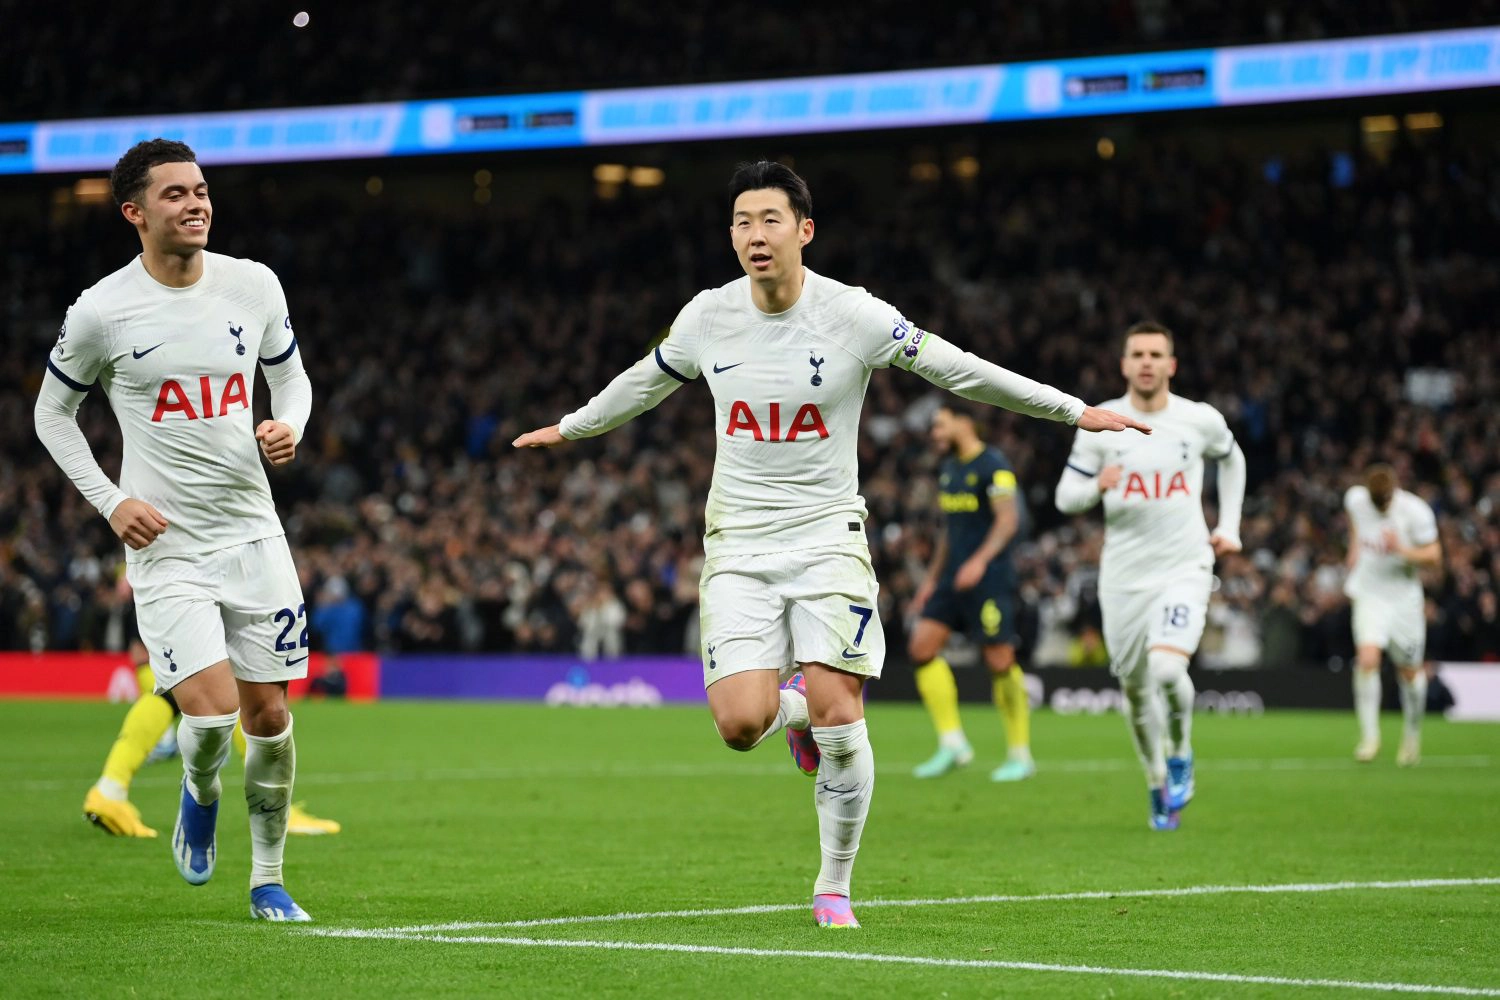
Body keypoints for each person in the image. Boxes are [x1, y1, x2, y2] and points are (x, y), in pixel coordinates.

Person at [514, 161, 1149, 927]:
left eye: (771, 219)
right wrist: (574, 426)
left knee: (842, 715)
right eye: (743, 221)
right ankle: (791, 709)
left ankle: (834, 885)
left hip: (827, 538)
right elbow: (642, 382)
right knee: (739, 726)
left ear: (804, 230)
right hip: (738, 542)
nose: (756, 234)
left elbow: (961, 372)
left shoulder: (855, 316)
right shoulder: (706, 317)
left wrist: (1073, 411)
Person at [34, 139, 315, 921]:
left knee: (272, 718)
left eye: (201, 191)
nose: (196, 204)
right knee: (213, 714)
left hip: (255, 536)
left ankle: (267, 879)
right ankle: (197, 788)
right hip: (167, 546)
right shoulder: (102, 310)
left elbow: (290, 377)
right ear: (134, 213)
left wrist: (287, 423)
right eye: (175, 196)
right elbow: (50, 415)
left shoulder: (253, 284)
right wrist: (109, 500)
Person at [1053, 321, 1245, 831]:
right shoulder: (1101, 423)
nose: (1146, 362)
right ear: (1124, 364)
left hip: (1185, 565)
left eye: (1156, 354)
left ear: (1171, 365)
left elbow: (1233, 458)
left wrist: (1228, 526)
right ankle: (1158, 782)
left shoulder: (1198, 420)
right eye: (1137, 353)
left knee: (1165, 670)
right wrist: (1098, 484)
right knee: (1136, 692)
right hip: (1123, 577)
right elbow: (1065, 498)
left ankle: (1181, 751)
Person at [83, 641, 341, 839]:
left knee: (175, 685)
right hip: (190, 584)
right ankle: (273, 807)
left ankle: (111, 788)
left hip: (167, 586)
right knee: (222, 683)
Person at [908, 402, 1035, 781]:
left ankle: (1020, 754)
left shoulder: (993, 465)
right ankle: (952, 743)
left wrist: (979, 561)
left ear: (964, 423)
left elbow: (1008, 521)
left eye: (940, 425)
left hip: (989, 577)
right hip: (952, 578)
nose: (935, 433)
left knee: (999, 661)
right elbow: (950, 531)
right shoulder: (949, 469)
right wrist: (931, 580)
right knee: (921, 648)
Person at [1344, 464, 1442, 765]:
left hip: (1403, 600)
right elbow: (1354, 523)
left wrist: (1401, 549)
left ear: (1393, 491)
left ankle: (1412, 735)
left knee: (1410, 672)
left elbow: (1434, 557)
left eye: (1383, 501)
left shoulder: (1415, 512)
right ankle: (1370, 738)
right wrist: (1354, 550)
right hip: (1370, 594)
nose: (1379, 506)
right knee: (1367, 659)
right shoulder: (1356, 499)